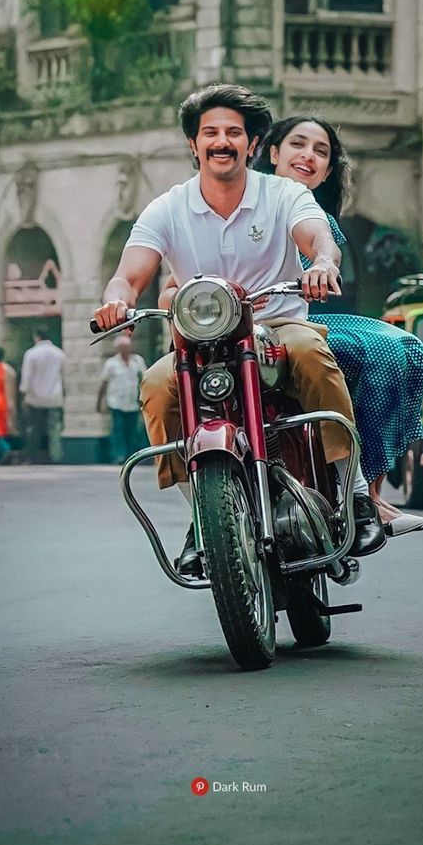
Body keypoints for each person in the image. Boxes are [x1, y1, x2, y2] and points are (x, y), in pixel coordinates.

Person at [93, 83, 386, 576]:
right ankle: (202, 519)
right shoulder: (168, 207)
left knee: (313, 352)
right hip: (201, 341)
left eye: (234, 132)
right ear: (194, 145)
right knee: (158, 385)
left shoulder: (284, 193)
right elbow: (130, 273)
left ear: (253, 145)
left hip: (277, 325)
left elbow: (316, 237)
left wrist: (322, 263)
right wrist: (116, 300)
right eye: (210, 133)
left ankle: (355, 495)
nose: (221, 141)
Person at [253, 116, 423, 536]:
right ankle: (362, 495)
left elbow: (323, 253)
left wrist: (323, 267)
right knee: (380, 349)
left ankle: (369, 492)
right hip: (268, 321)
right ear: (273, 153)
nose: (308, 156)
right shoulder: (252, 200)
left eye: (321, 151)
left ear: (329, 169)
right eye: (298, 144)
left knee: (406, 347)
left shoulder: (312, 210)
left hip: (312, 316)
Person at [97, 335, 147, 464]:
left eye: (127, 347)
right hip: (116, 402)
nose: (125, 350)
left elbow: (145, 379)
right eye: (122, 348)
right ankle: (119, 455)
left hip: (133, 402)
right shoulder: (111, 363)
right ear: (118, 349)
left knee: (132, 430)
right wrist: (99, 402)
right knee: (118, 430)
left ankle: (132, 456)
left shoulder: (137, 361)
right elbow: (104, 383)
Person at [20, 328, 65, 464]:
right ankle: (55, 457)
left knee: (34, 429)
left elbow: (27, 378)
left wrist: (24, 396)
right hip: (54, 397)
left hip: (35, 398)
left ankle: (33, 457)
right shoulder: (59, 354)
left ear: (36, 337)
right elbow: (63, 376)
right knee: (54, 429)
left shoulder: (31, 354)